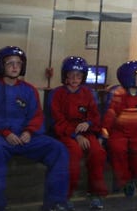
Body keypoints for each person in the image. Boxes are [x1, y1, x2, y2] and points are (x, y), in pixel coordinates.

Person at [0, 46, 71, 211]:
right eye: (10, 63)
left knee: (58, 149)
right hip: (0, 138)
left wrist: (29, 131)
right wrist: (5, 133)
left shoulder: (29, 89)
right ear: (1, 65)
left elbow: (37, 115)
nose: (15, 67)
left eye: (18, 63)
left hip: (26, 137)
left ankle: (55, 203)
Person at [47, 56, 108, 209]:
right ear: (65, 76)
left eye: (79, 75)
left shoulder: (88, 93)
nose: (75, 78)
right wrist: (76, 135)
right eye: (71, 74)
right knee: (73, 154)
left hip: (87, 133)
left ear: (83, 77)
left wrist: (89, 124)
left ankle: (96, 194)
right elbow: (57, 121)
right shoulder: (57, 94)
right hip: (66, 134)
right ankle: (64, 197)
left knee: (98, 153)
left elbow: (95, 116)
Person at [101, 60, 137, 197]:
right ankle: (125, 182)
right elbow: (111, 114)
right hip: (119, 132)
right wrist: (105, 130)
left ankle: (131, 177)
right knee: (117, 149)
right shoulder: (119, 94)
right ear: (129, 79)